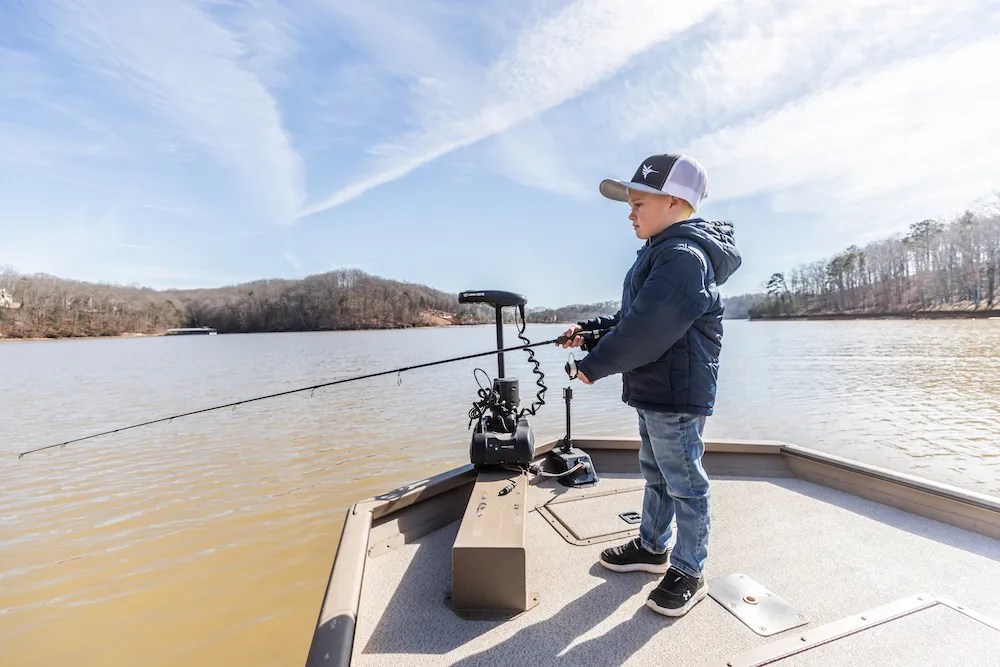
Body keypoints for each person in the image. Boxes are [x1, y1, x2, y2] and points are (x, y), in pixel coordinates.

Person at [561, 153, 741, 617]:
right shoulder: (663, 251)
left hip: (675, 393)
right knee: (656, 472)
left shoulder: (683, 257)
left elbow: (649, 329)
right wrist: (592, 331)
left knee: (684, 481)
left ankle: (689, 568)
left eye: (639, 202)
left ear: (676, 202)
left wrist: (593, 365)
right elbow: (631, 319)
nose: (630, 211)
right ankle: (652, 547)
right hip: (655, 388)